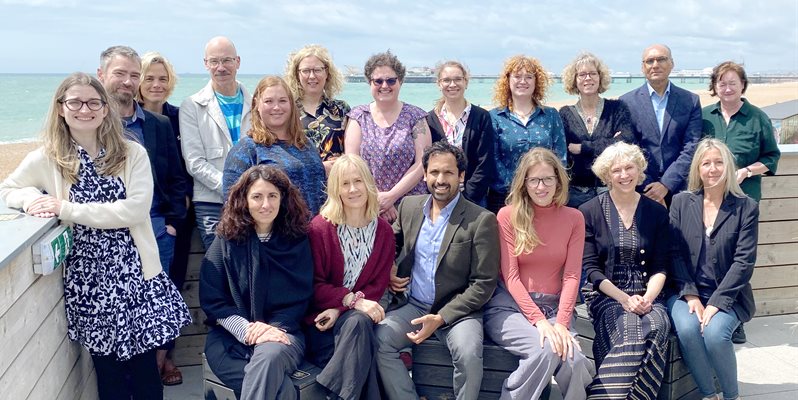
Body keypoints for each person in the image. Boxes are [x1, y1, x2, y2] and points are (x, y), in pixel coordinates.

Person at [0, 72, 191, 400]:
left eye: (93, 102)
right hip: (88, 281)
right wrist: (33, 201)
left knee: (145, 368)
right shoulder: (48, 158)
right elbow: (9, 189)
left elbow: (134, 210)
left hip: (137, 275)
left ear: (105, 109)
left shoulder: (132, 154)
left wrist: (66, 208)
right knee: (109, 371)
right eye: (74, 101)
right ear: (61, 108)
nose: (83, 109)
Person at [376, 141, 499, 400]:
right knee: (380, 339)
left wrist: (441, 318)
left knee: (468, 354)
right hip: (415, 306)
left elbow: (484, 283)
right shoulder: (409, 207)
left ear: (461, 175)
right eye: (434, 172)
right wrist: (389, 268)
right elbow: (389, 245)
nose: (440, 179)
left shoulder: (482, 219)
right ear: (425, 174)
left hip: (458, 312)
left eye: (448, 173)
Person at [98, 46, 188, 387]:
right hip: (108, 230)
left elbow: (177, 178)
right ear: (101, 76)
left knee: (158, 305)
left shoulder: (159, 124)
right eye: (122, 74)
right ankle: (128, 379)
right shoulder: (93, 122)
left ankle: (155, 369)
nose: (129, 81)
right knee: (121, 310)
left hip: (155, 228)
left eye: (133, 75)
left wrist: (173, 224)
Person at [483, 148, 592, 400]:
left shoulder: (574, 218)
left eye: (547, 179)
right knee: (546, 350)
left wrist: (562, 324)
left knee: (574, 360)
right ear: (524, 183)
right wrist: (540, 322)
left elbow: (573, 276)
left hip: (555, 309)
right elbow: (510, 277)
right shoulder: (508, 215)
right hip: (509, 307)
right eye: (534, 180)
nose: (541, 187)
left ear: (558, 181)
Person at [200, 165, 313, 399]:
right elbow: (213, 300)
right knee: (283, 392)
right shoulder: (226, 242)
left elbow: (300, 299)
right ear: (244, 200)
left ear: (283, 199)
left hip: (283, 334)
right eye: (257, 197)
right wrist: (247, 330)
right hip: (229, 339)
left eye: (272, 196)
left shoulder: (297, 241)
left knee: (269, 356)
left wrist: (270, 329)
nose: (265, 204)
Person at [667, 138, 759, 400]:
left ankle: (731, 395)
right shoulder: (681, 202)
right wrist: (691, 294)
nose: (713, 169)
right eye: (706, 163)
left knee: (716, 334)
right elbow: (674, 252)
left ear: (728, 167)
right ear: (697, 169)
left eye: (719, 162)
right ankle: (709, 394)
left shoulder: (746, 208)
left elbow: (744, 261)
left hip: (728, 295)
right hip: (686, 291)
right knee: (687, 329)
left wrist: (717, 302)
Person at [579, 142, 671, 399]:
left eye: (629, 168)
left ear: (639, 170)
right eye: (616, 170)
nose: (624, 175)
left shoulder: (656, 211)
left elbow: (661, 265)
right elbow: (592, 271)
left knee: (656, 325)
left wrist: (647, 299)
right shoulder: (589, 211)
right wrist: (624, 299)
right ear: (607, 175)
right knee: (630, 328)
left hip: (648, 294)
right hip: (608, 295)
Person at [701, 61, 781, 344]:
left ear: (742, 85)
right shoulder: (704, 117)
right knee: (710, 258)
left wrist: (747, 170)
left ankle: (736, 317)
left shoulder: (757, 117)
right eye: (722, 83)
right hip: (709, 200)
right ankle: (710, 311)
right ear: (715, 87)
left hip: (743, 200)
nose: (727, 88)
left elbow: (772, 157)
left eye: (733, 82)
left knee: (739, 259)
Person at [305, 154, 395, 399]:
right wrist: (348, 302)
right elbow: (313, 285)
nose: (353, 189)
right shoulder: (320, 228)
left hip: (352, 321)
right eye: (345, 184)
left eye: (358, 181)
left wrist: (343, 308)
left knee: (358, 323)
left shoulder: (384, 232)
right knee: (362, 336)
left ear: (369, 183)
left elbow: (378, 285)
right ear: (336, 189)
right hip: (322, 324)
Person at [136, 50, 192, 386]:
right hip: (139, 220)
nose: (156, 84)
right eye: (149, 78)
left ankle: (166, 357)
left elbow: (181, 169)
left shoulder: (178, 117)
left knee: (173, 288)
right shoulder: (129, 120)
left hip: (176, 218)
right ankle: (145, 362)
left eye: (162, 78)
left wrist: (176, 216)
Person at [180, 36, 252, 249]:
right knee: (218, 264)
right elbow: (194, 162)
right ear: (206, 64)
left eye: (227, 60)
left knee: (253, 263)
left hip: (255, 200)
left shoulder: (256, 102)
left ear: (238, 62)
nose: (221, 67)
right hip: (211, 202)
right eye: (214, 61)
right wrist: (232, 187)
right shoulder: (192, 106)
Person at [345, 50, 432, 222]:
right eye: (378, 81)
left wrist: (391, 196)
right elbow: (352, 162)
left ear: (400, 82)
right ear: (370, 83)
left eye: (391, 80)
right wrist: (378, 199)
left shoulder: (416, 117)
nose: (384, 86)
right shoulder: (358, 116)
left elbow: (423, 163)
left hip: (410, 206)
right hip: (367, 204)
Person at [223, 76, 326, 215]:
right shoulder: (246, 150)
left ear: (291, 104)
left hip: (313, 232)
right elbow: (231, 204)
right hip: (276, 234)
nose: (276, 107)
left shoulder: (307, 144)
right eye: (268, 101)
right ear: (257, 105)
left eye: (282, 101)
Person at [620, 44, 702, 206]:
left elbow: (692, 146)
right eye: (650, 61)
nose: (655, 65)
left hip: (681, 187)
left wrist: (666, 184)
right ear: (643, 67)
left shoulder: (690, 100)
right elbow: (630, 148)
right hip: (641, 188)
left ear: (672, 63)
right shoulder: (626, 102)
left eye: (661, 59)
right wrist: (649, 186)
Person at [488, 55, 566, 213]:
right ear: (508, 80)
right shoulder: (494, 117)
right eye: (517, 76)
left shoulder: (551, 115)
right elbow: (493, 159)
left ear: (536, 82)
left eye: (529, 77)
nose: (523, 81)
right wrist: (519, 188)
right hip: (506, 197)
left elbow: (560, 157)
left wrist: (545, 187)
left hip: (544, 195)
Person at [559, 52, 634, 208]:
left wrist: (583, 148)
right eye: (582, 74)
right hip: (576, 192)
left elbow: (626, 141)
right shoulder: (565, 113)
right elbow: (564, 150)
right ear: (574, 80)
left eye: (593, 73)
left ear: (600, 78)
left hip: (611, 188)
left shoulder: (616, 109)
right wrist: (610, 143)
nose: (588, 78)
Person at [426, 60, 496, 207]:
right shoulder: (429, 120)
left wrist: (468, 196)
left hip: (474, 199)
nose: (452, 84)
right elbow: (426, 161)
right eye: (446, 80)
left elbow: (485, 162)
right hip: (439, 196)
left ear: (466, 82)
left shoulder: (482, 117)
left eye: (458, 79)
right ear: (439, 84)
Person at [285, 44, 351, 173]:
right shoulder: (288, 110)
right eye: (306, 71)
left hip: (336, 185)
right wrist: (320, 168)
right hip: (300, 186)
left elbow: (352, 153)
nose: (312, 76)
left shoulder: (341, 109)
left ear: (327, 73)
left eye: (317, 70)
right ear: (297, 75)